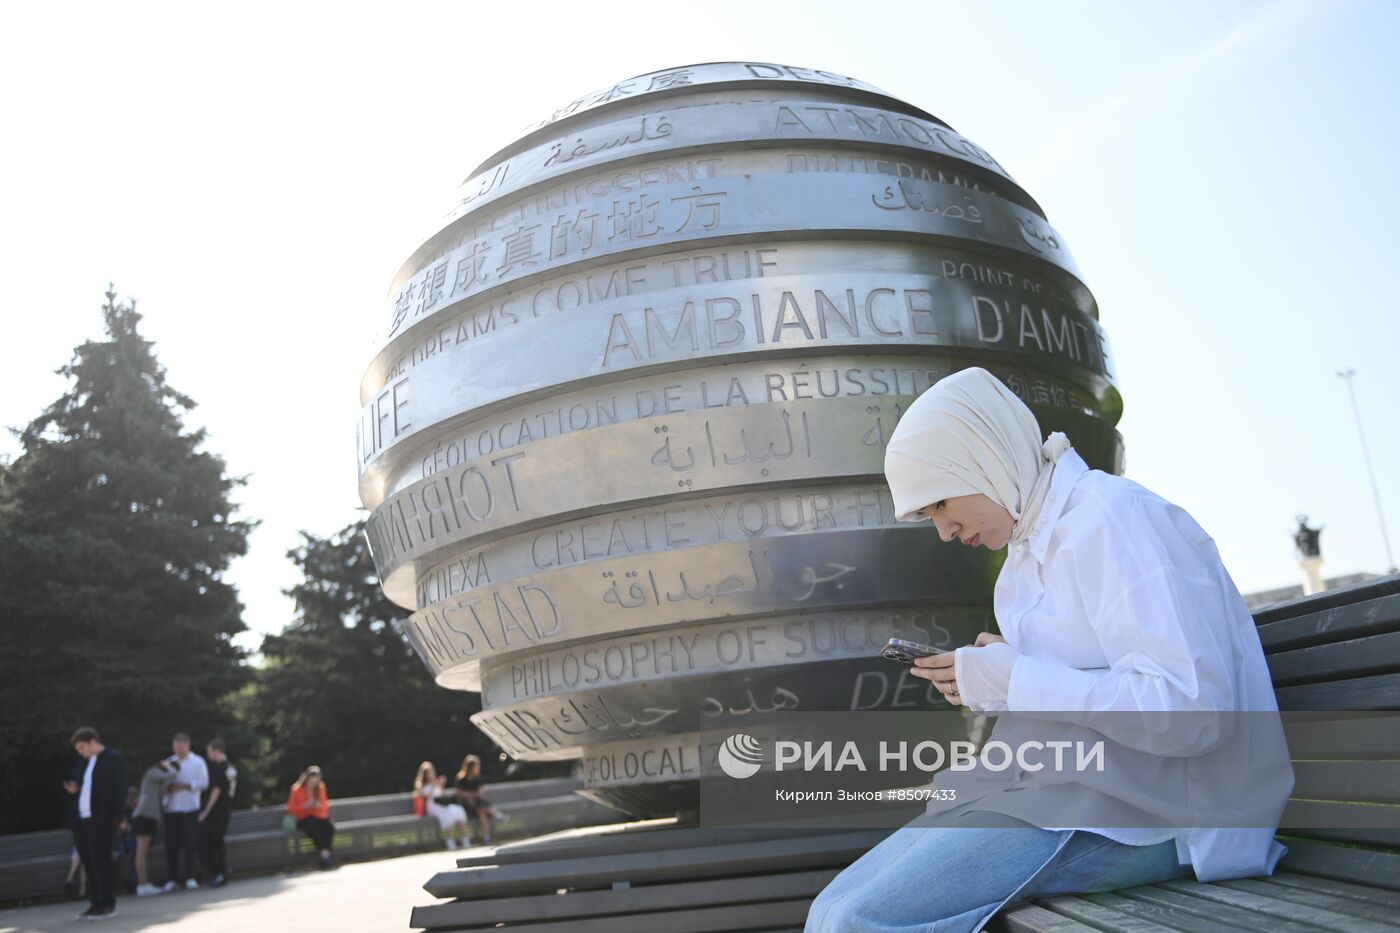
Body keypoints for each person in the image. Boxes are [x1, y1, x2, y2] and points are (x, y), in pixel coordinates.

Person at [804, 366, 1293, 933]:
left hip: (1166, 816)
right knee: (831, 911)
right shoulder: (1024, 560)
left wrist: (1016, 679)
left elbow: (1191, 712)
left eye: (939, 502)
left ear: (982, 457)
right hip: (1070, 795)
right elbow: (1079, 683)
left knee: (857, 922)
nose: (941, 530)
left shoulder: (1111, 520)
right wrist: (1001, 674)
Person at [68, 726, 128, 921]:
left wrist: (117, 816)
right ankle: (95, 904)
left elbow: (120, 789)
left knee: (101, 861)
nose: (80, 752)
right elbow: (81, 785)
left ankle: (107, 904)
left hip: (101, 820)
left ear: (93, 741)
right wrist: (74, 788)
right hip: (82, 820)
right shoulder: (82, 763)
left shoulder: (113, 759)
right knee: (88, 862)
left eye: (82, 747)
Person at [160, 732, 208, 892]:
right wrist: (169, 788)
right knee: (171, 846)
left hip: (190, 808)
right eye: (176, 747)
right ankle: (172, 879)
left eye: (182, 746)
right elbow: (160, 785)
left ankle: (191, 877)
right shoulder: (168, 763)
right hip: (172, 809)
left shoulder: (198, 762)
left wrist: (187, 785)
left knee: (190, 844)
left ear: (188, 746)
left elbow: (204, 783)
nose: (179, 750)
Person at [132, 758, 176, 895]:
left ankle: (143, 884)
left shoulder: (154, 777)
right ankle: (142, 885)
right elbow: (173, 774)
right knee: (141, 853)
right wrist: (169, 766)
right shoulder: (153, 772)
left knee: (143, 853)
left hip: (148, 816)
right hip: (145, 815)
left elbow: (162, 793)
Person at [198, 738, 237, 887]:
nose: (208, 755)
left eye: (209, 752)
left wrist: (206, 812)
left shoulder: (221, 768)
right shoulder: (231, 768)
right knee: (217, 842)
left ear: (216, 751)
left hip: (217, 812)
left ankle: (218, 871)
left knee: (204, 842)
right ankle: (222, 872)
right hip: (226, 809)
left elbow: (216, 791)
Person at [287, 766, 335, 869]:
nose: (313, 783)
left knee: (329, 827)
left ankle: (324, 854)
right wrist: (304, 806)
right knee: (313, 826)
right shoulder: (296, 789)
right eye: (311, 780)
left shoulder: (320, 787)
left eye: (316, 780)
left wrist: (318, 806)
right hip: (303, 817)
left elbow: (325, 805)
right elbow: (290, 808)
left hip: (318, 815)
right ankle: (325, 855)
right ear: (306, 778)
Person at [453, 755, 507, 845]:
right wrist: (471, 796)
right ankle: (496, 813)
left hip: (477, 805)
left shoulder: (479, 779)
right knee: (480, 805)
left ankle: (487, 837)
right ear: (471, 767)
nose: (478, 768)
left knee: (480, 810)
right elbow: (459, 793)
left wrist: (469, 795)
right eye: (477, 766)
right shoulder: (461, 779)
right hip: (465, 806)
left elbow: (480, 794)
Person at [414, 761, 469, 849]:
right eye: (429, 772)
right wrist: (433, 785)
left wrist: (441, 786)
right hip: (431, 806)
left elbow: (442, 796)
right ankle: (450, 841)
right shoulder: (420, 784)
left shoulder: (436, 783)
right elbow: (428, 796)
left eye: (432, 771)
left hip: (441, 804)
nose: (431, 774)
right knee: (448, 813)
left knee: (459, 810)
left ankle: (464, 838)